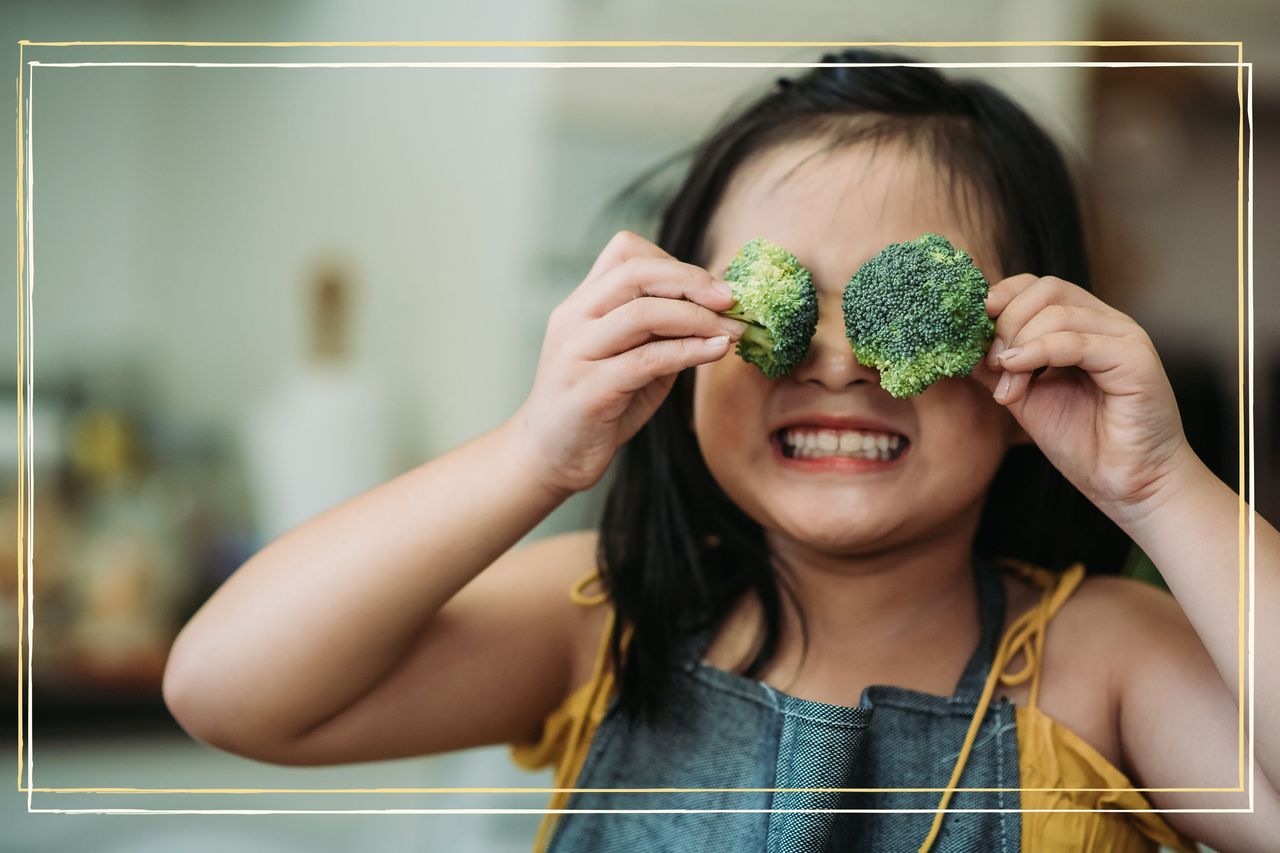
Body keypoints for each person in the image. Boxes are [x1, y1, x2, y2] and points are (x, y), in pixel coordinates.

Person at [162, 49, 1280, 852]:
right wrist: (530, 455)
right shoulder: (602, 616)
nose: (835, 363)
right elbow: (228, 690)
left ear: (1024, 362)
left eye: (904, 311)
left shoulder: (1104, 658)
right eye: (774, 305)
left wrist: (1159, 486)